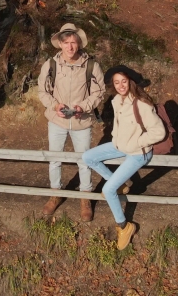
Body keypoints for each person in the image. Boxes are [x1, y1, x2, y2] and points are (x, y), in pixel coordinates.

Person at [82, 65, 165, 250]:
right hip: (120, 145)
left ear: (130, 82)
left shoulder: (141, 103)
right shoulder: (116, 101)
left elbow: (159, 132)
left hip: (138, 153)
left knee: (108, 190)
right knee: (88, 157)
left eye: (124, 81)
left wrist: (137, 142)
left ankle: (124, 226)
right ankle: (119, 184)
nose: (120, 85)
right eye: (117, 82)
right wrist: (120, 142)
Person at [37, 23, 105, 222]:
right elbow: (42, 91)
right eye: (66, 43)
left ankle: (85, 198)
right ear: (60, 43)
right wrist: (54, 105)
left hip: (81, 121)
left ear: (79, 44)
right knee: (54, 158)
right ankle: (55, 194)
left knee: (84, 161)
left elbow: (98, 92)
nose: (70, 47)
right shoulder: (50, 65)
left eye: (73, 42)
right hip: (57, 121)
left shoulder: (91, 65)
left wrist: (82, 107)